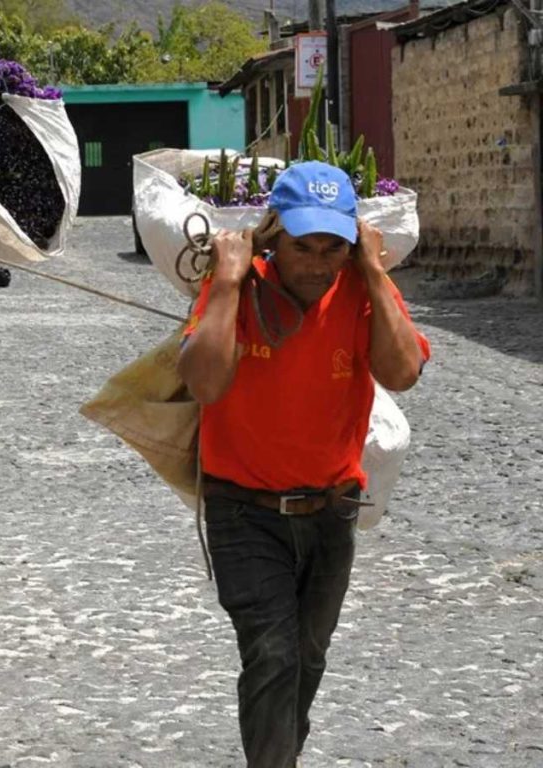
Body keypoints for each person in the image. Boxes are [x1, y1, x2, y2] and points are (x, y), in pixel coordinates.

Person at [177, 161, 431, 768]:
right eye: (302, 247)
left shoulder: (360, 285)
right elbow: (206, 383)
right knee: (273, 655)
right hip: (244, 511)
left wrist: (370, 269)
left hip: (332, 509)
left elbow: (402, 372)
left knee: (307, 658)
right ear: (273, 234)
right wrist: (233, 280)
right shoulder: (238, 284)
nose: (318, 263)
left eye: (333, 247)